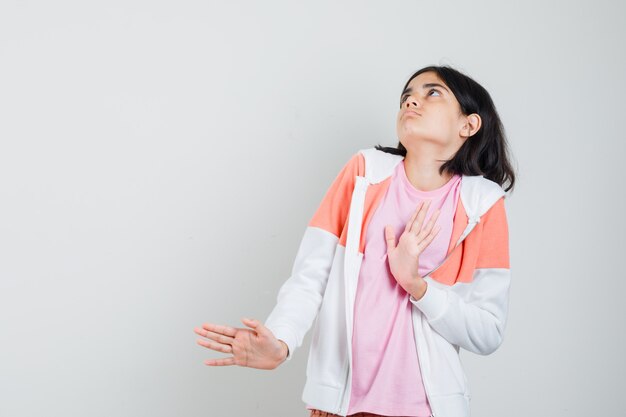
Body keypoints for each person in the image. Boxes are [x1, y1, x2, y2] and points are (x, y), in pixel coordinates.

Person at [194, 64, 516, 417]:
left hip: (429, 409)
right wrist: (281, 341)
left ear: (469, 124)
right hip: (339, 405)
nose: (411, 101)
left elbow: (487, 331)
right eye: (406, 96)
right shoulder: (364, 173)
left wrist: (417, 285)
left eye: (432, 93)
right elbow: (310, 275)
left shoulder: (482, 206)